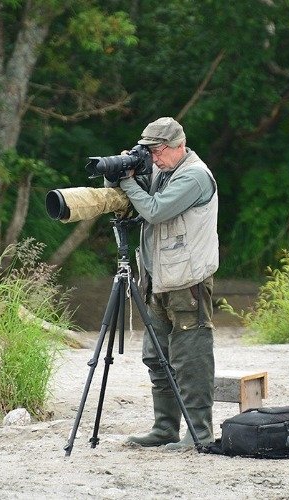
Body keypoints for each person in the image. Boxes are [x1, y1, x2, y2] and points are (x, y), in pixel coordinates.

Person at [106, 117, 218, 450]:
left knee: (189, 358)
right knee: (156, 357)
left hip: (187, 282)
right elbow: (134, 202)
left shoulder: (195, 176)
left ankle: (200, 433)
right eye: (150, 152)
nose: (154, 159)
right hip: (156, 279)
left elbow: (154, 210)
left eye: (158, 151)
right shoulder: (162, 170)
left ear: (177, 146)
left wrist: (129, 182)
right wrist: (123, 171)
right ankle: (165, 428)